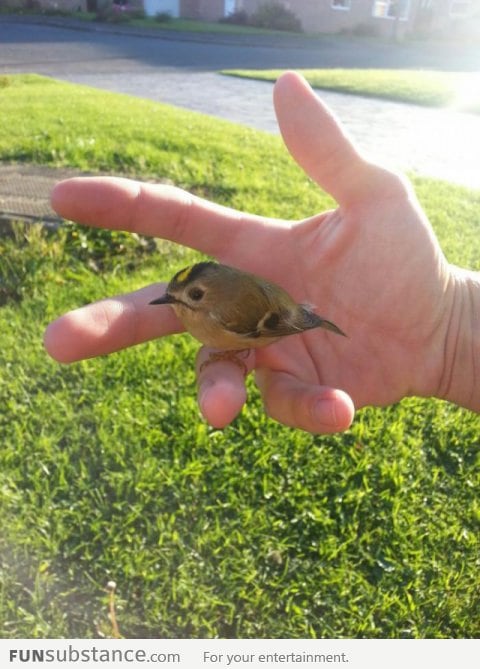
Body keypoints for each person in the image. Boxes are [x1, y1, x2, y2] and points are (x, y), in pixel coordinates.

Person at [43, 71, 480, 433]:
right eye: (180, 295)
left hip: (282, 313)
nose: (179, 302)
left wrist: (446, 326)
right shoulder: (211, 304)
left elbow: (276, 318)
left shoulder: (224, 316)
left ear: (210, 298)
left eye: (192, 296)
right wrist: (452, 329)